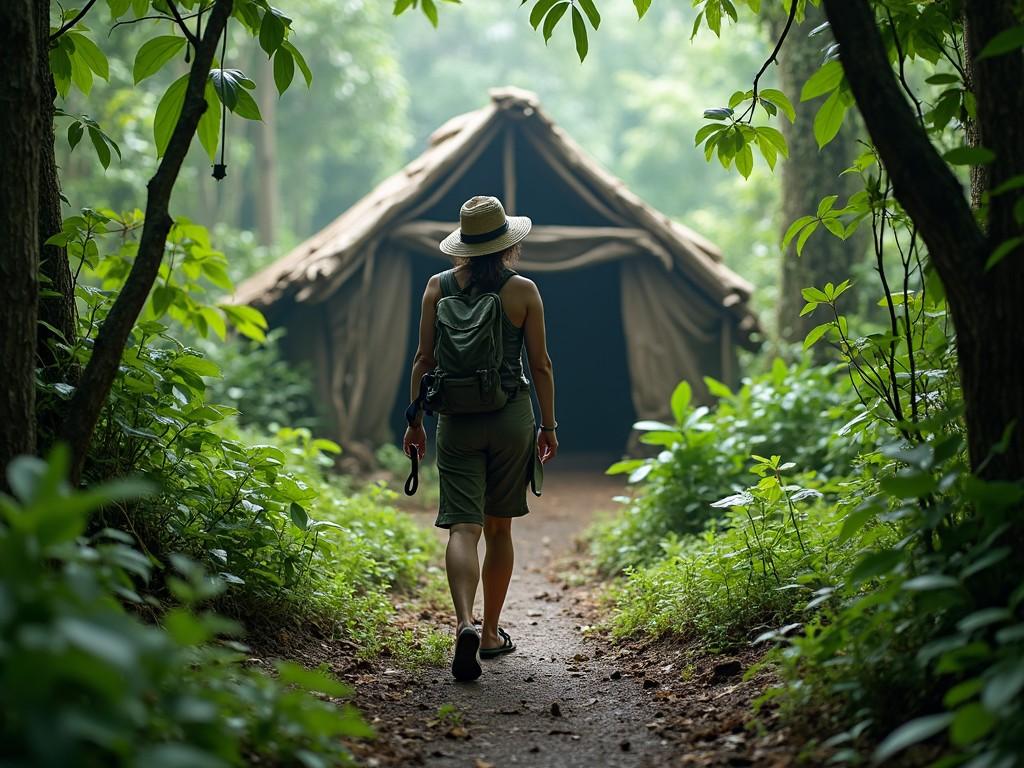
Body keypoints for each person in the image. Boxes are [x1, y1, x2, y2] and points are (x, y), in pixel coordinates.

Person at [403, 195, 558, 682]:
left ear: (464, 245)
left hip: (456, 419)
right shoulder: (524, 291)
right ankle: (490, 633)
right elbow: (541, 365)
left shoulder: (436, 286)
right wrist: (547, 425)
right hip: (510, 417)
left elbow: (423, 361)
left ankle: (464, 623)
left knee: (462, 528)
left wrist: (414, 422)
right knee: (498, 529)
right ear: (507, 244)